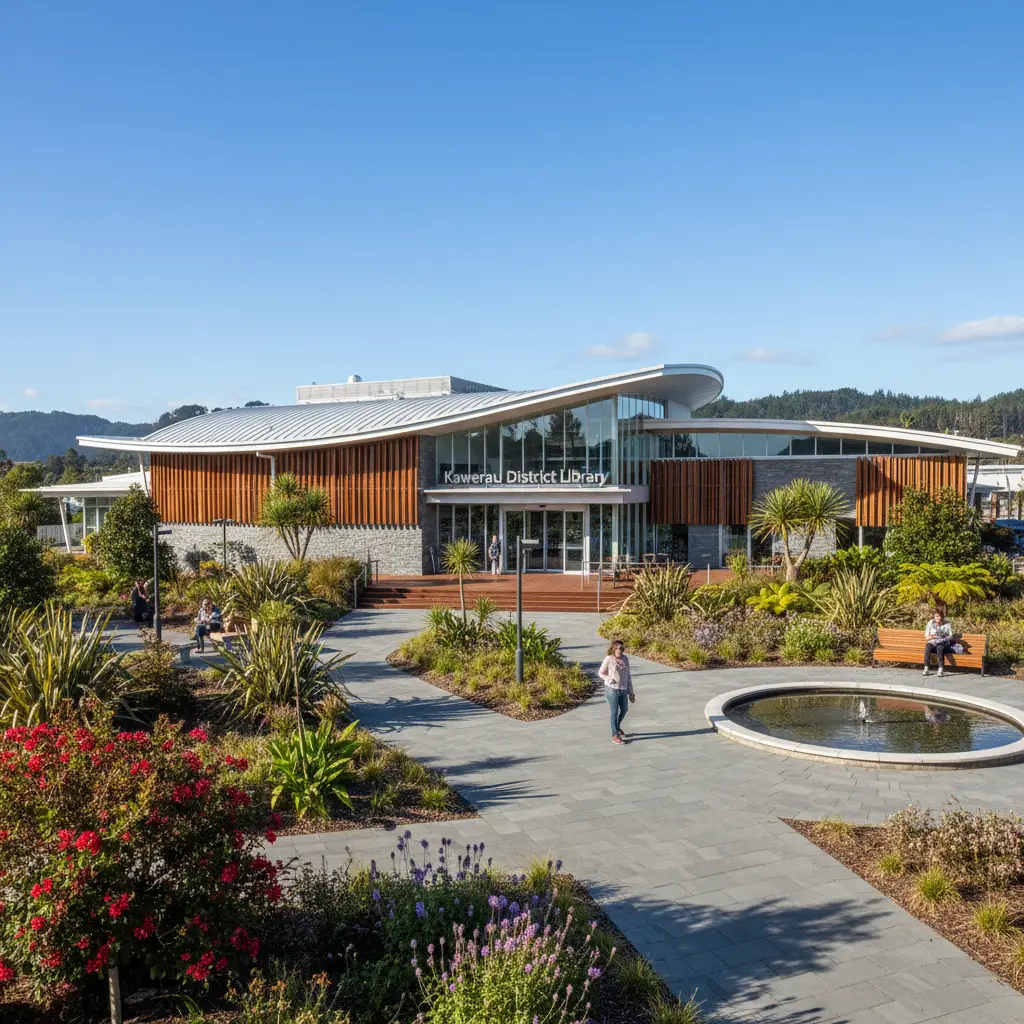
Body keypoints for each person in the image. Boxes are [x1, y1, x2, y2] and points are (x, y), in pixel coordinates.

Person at [598, 639, 634, 745]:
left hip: (623, 689)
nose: (621, 650)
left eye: (623, 648)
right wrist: (609, 678)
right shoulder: (609, 659)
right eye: (619, 648)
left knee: (624, 709)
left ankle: (617, 727)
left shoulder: (625, 659)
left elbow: (628, 676)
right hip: (612, 689)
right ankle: (615, 735)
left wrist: (631, 692)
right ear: (614, 648)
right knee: (614, 712)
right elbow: (600, 673)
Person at [923, 609, 952, 677]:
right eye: (936, 616)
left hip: (943, 643)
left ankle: (941, 669)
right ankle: (926, 668)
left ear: (942, 617)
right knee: (928, 647)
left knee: (940, 648)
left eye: (939, 616)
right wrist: (933, 636)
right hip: (932, 642)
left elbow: (951, 635)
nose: (937, 618)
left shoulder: (947, 623)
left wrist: (944, 639)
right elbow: (926, 636)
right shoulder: (931, 622)